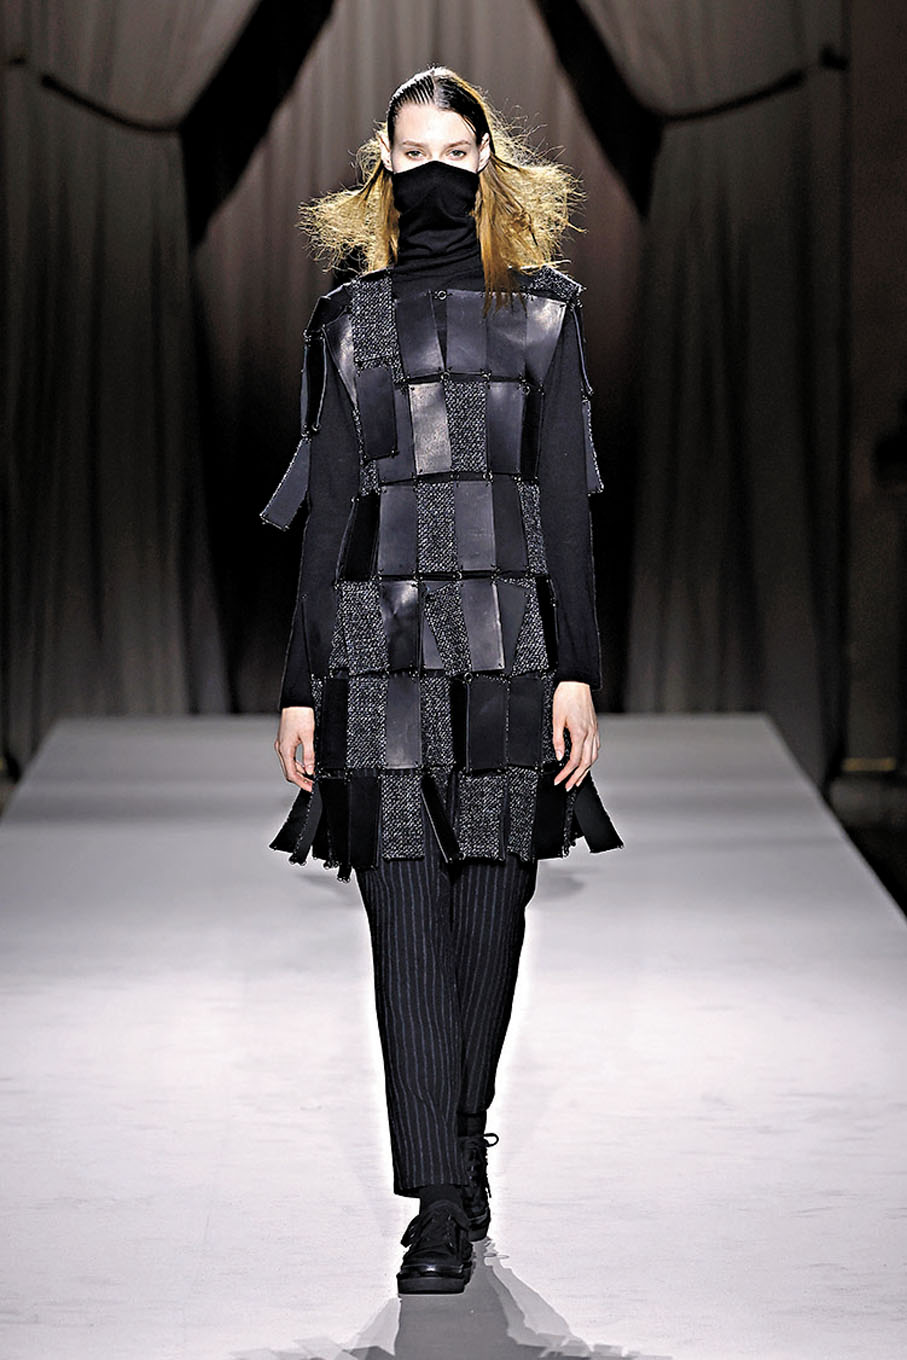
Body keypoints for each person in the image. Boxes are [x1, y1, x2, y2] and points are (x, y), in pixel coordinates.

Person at [264, 65, 623, 1296]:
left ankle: (461, 1159)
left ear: (486, 163)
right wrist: (301, 684)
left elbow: (564, 505)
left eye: (452, 152)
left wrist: (577, 669)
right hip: (378, 655)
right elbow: (327, 512)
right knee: (406, 925)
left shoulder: (543, 313)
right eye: (409, 153)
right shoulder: (348, 319)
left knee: (487, 921)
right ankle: (434, 1204)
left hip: (511, 653)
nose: (430, 173)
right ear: (381, 167)